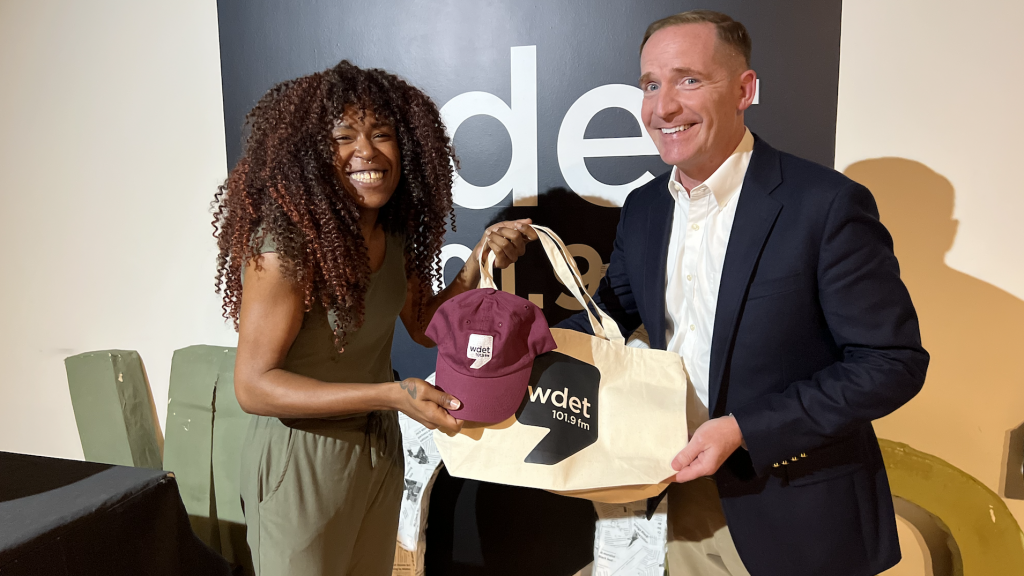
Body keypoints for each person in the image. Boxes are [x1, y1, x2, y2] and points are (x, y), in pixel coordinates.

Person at [558, 10, 928, 576]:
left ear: (744, 90)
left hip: (797, 513)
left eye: (688, 80)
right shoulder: (646, 208)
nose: (663, 108)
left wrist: (744, 430)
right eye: (650, 85)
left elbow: (892, 363)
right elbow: (612, 314)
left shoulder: (825, 205)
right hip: (671, 500)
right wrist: (514, 348)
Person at [211, 60, 536, 576]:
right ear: (309, 155)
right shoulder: (282, 251)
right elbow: (253, 387)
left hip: (378, 447)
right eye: (344, 136)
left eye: (381, 134)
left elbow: (424, 324)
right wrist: (390, 395)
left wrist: (479, 260)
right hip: (302, 453)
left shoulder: (394, 236)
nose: (367, 151)